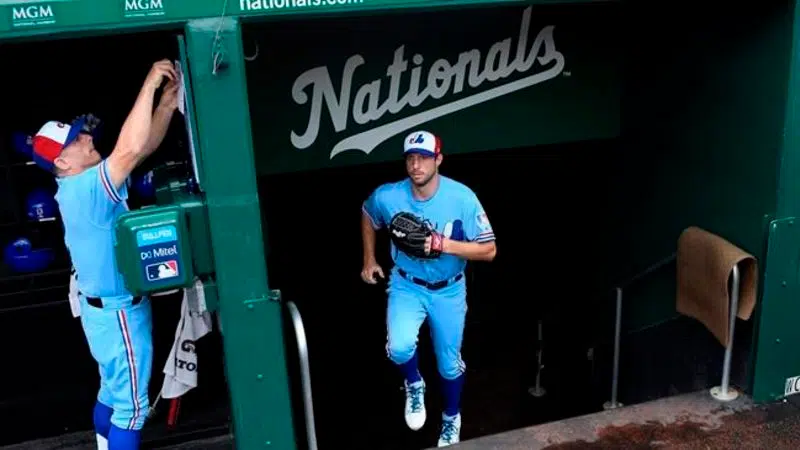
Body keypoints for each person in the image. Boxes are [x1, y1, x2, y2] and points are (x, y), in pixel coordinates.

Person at [29, 59, 179, 450]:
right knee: (131, 409)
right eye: (75, 141)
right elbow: (129, 150)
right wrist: (149, 84)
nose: (85, 139)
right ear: (61, 162)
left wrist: (164, 106)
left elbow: (139, 149)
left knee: (111, 394)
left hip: (103, 311)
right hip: (117, 314)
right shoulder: (86, 190)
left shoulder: (82, 186)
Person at [360, 130, 497, 447]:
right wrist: (369, 259)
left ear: (438, 160)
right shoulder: (389, 196)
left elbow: (489, 250)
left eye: (423, 158)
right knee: (399, 349)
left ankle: (451, 418)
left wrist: (444, 244)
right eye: (410, 158)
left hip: (448, 290)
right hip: (407, 285)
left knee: (448, 364)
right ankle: (414, 384)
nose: (416, 165)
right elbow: (367, 214)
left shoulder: (462, 198)